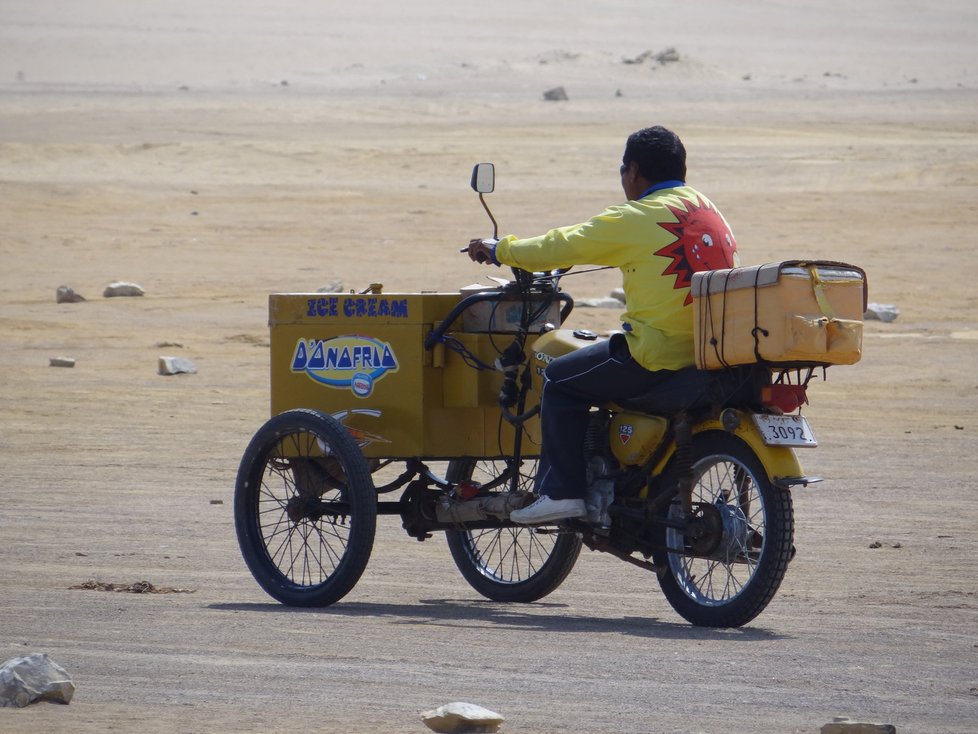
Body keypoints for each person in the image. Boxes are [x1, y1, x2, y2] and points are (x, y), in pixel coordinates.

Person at [466, 125, 739, 525]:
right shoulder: (706, 208)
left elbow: (562, 244)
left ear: (633, 171)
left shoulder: (637, 216)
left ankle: (563, 493)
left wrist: (499, 249)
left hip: (656, 354)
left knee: (559, 377)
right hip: (708, 350)